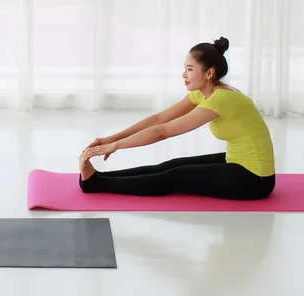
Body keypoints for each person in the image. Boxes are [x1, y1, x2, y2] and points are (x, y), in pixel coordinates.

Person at [80, 37, 276, 200]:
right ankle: (99, 177)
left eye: (190, 69)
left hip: (255, 178)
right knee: (174, 165)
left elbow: (162, 132)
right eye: (185, 68)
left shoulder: (221, 99)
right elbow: (159, 119)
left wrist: (115, 147)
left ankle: (96, 184)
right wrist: (111, 139)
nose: (183, 74)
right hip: (236, 161)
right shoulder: (203, 92)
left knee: (175, 176)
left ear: (209, 73)